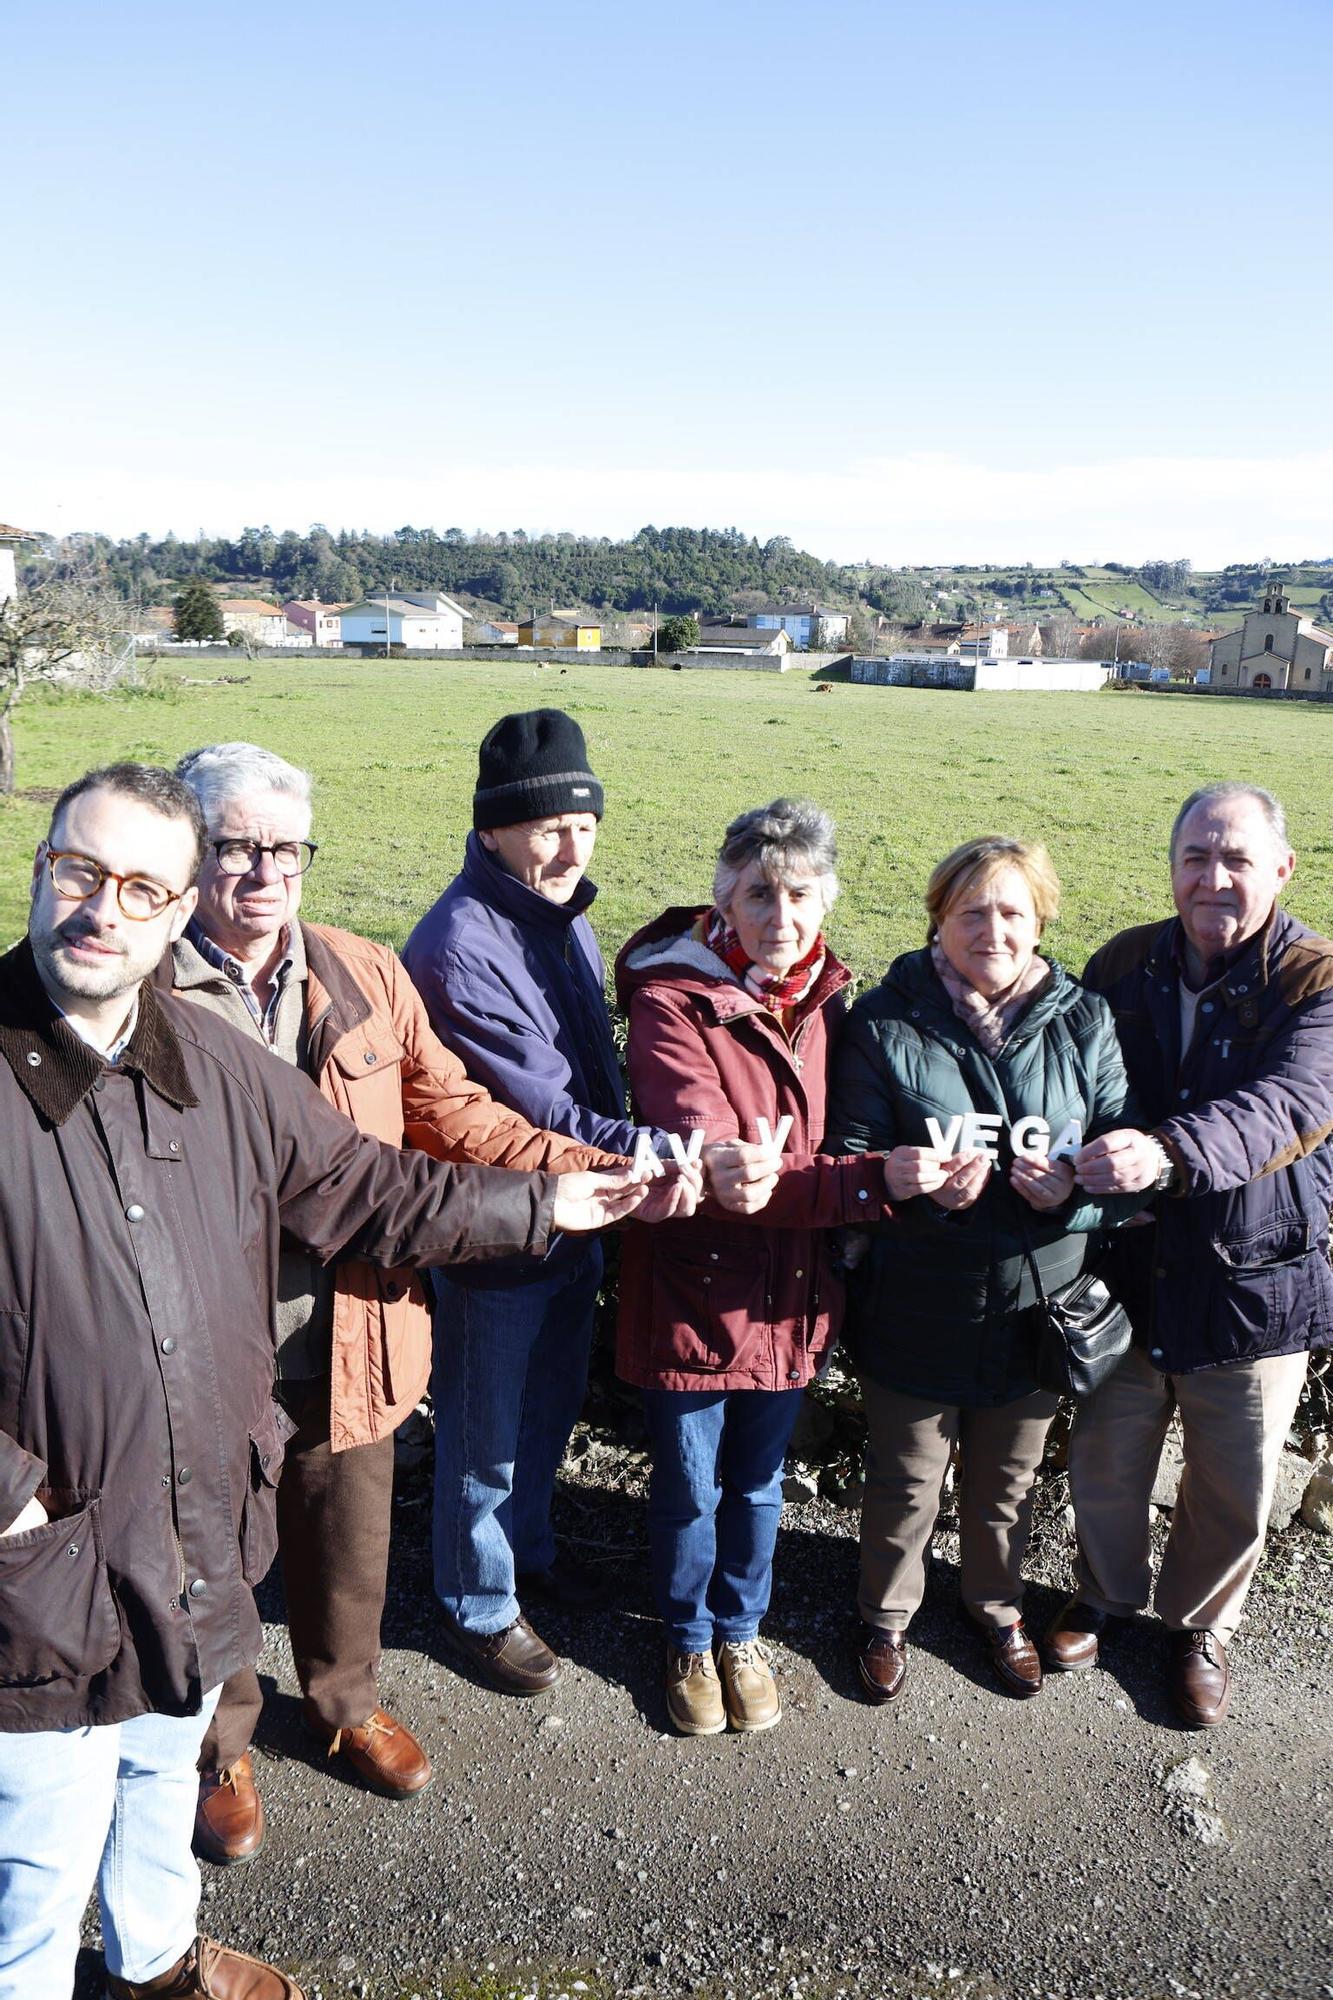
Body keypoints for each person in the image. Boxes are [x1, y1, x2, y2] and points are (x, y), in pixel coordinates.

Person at [0, 762, 657, 2000]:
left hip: (191, 1518)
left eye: (141, 886)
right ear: (40, 866)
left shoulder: (209, 1054)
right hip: (44, 1554)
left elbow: (368, 1183)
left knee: (158, 1777)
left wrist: (550, 1199)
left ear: (175, 903)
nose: (103, 908)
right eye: (79, 871)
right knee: (35, 1847)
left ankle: (154, 1969)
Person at [172, 743, 633, 1867]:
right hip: (201, 1344)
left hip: (357, 1320)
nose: (262, 872)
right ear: (188, 853)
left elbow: (455, 1112)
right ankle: (220, 1741)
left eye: (284, 847)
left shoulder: (364, 971)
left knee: (348, 1538)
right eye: (234, 846)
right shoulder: (141, 989)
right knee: (210, 1556)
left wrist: (572, 1176)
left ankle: (341, 1701)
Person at [403, 709, 694, 1695]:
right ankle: (474, 1602)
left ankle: (524, 1554)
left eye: (586, 822)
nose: (573, 846)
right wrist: (678, 1154)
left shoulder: (557, 912)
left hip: (576, 1216)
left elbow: (599, 1074)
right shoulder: (460, 947)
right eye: (547, 826)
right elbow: (549, 1110)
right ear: (493, 829)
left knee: (548, 1408)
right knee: (485, 1431)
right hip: (499, 1232)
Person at [824, 835, 1141, 1705]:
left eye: (1011, 911)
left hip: (1038, 1304)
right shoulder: (885, 1020)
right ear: (938, 920)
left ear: (1039, 919)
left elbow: (1129, 1159)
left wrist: (1070, 1194)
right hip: (916, 1299)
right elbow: (847, 1159)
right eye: (971, 912)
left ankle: (995, 1606)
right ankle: (885, 1616)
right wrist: (914, 1192)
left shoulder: (1084, 1019)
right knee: (904, 1476)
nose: (991, 930)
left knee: (1005, 1483)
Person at [1048, 782, 1333, 1728]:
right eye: (1195, 859)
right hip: (1129, 1271)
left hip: (1256, 1276)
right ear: (1171, 868)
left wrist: (1168, 1151)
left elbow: (1288, 1107)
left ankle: (1199, 1627)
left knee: (1234, 1477)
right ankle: (1101, 1596)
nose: (1213, 878)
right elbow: (1073, 1083)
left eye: (1237, 859)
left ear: (1281, 870)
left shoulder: (1317, 980)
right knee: (1107, 1453)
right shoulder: (1124, 963)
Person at [614, 800, 895, 1734]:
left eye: (800, 893)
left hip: (792, 1295)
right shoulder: (669, 999)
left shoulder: (828, 1001)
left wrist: (839, 1180)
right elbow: (726, 1168)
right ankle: (687, 1638)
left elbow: (815, 1144)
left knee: (760, 1483)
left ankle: (742, 1629)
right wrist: (871, 1186)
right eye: (759, 894)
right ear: (722, 899)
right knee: (691, 1486)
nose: (781, 916)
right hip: (699, 1288)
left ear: (829, 899)